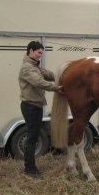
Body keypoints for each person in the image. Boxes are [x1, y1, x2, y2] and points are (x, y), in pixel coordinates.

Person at [18, 41, 63, 177]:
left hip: (35, 106)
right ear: (30, 51)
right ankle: (29, 169)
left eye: (42, 53)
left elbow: (48, 74)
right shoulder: (27, 68)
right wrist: (56, 88)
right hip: (30, 106)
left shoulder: (35, 66)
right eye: (38, 52)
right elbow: (39, 82)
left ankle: (30, 167)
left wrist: (63, 76)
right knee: (32, 138)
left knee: (34, 136)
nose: (40, 55)